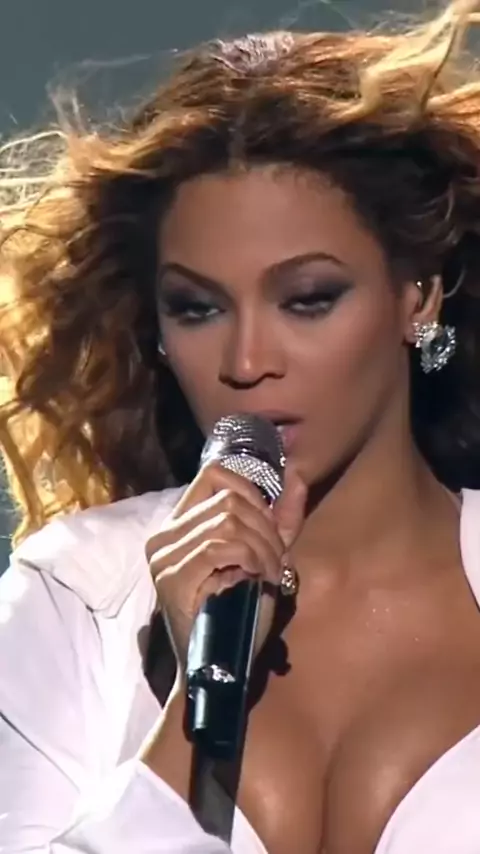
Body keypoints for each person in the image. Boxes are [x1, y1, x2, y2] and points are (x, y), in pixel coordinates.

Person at [2, 0, 480, 851]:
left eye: (308, 299)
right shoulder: (77, 593)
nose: (248, 360)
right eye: (198, 308)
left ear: (418, 296)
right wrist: (199, 698)